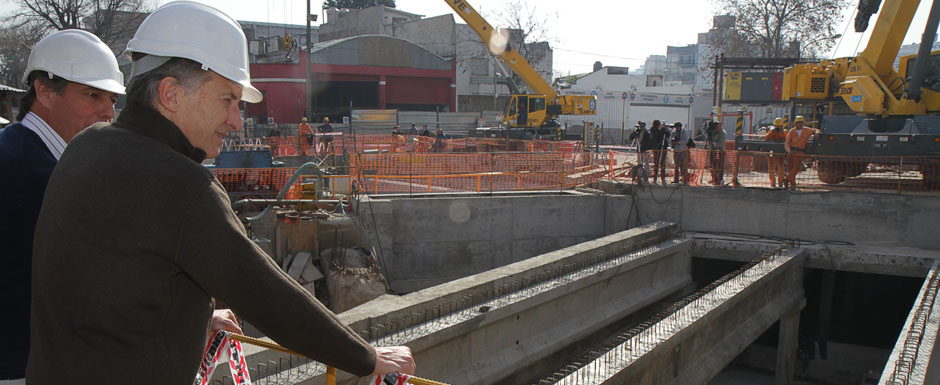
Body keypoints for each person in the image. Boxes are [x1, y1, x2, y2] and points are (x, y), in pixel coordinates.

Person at [27, 3, 414, 384]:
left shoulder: (87, 146)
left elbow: (112, 277)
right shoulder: (181, 186)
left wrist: (194, 316)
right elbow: (265, 295)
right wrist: (365, 357)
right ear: (171, 94)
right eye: (227, 100)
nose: (236, 119)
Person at [0, 29, 125, 384]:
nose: (108, 110)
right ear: (43, 91)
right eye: (92, 94)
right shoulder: (37, 175)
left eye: (112, 98)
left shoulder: (19, 151)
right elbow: (103, 283)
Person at [784, 115, 818, 189]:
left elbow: (815, 130)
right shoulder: (791, 131)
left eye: (801, 122)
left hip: (800, 152)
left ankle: (787, 179)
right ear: (795, 123)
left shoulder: (807, 130)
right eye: (798, 122)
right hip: (792, 152)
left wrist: (817, 133)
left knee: (797, 168)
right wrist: (789, 151)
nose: (800, 124)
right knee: (790, 168)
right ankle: (792, 183)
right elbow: (787, 143)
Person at [765, 117, 788, 188]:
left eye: (779, 126)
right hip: (772, 153)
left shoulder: (785, 132)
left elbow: (787, 139)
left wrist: (782, 132)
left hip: (781, 154)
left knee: (781, 169)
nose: (777, 128)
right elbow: (766, 138)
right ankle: (772, 183)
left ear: (781, 126)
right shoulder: (771, 132)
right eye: (776, 126)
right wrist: (772, 132)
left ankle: (780, 184)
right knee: (771, 169)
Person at [704, 120, 727, 185]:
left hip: (720, 151)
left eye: (717, 127)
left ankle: (720, 179)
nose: (716, 129)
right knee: (712, 165)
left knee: (720, 166)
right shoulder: (713, 131)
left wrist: (713, 143)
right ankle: (714, 178)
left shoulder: (722, 133)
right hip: (713, 151)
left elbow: (721, 144)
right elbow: (709, 139)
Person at [649, 120, 670, 184]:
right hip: (657, 147)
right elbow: (656, 136)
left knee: (663, 163)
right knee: (656, 163)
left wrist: (666, 130)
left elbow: (667, 135)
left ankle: (663, 179)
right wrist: (659, 129)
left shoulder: (662, 129)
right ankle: (655, 179)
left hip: (663, 147)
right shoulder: (653, 129)